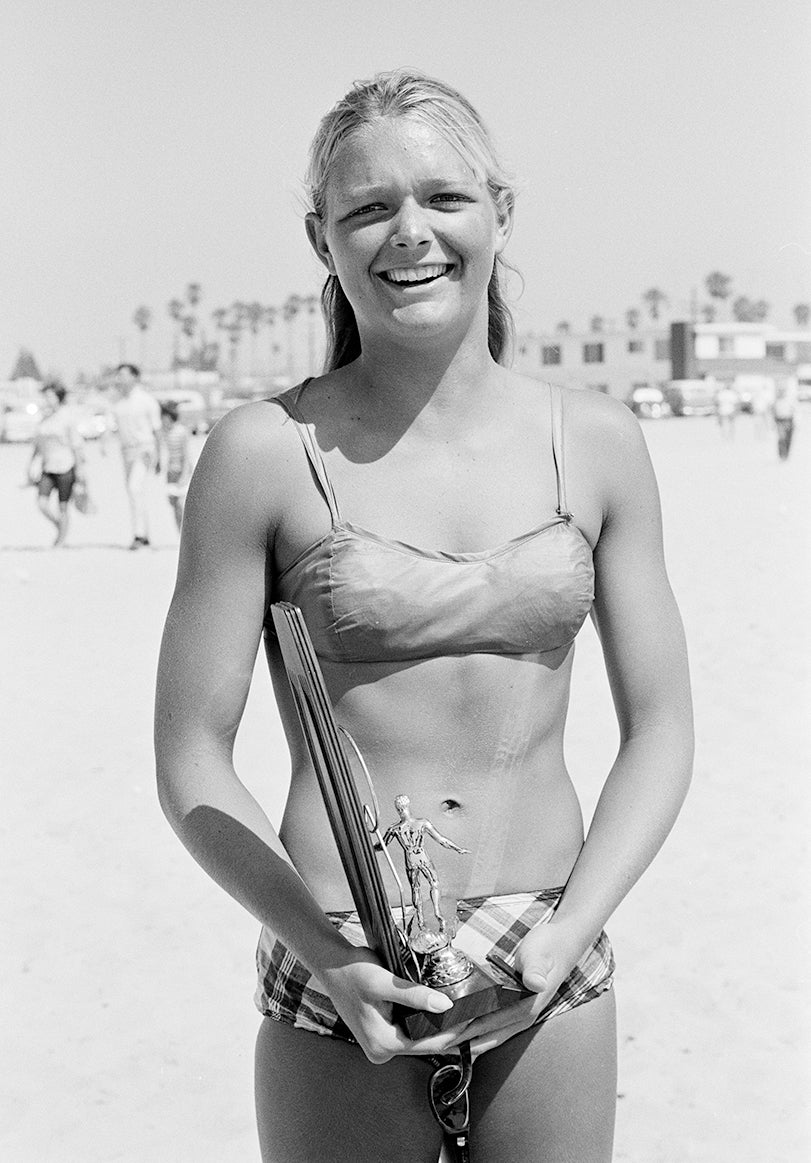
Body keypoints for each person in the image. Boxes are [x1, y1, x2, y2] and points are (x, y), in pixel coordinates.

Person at [155, 69, 693, 1163]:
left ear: (501, 209)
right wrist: (325, 952)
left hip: (545, 939)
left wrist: (571, 927)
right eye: (367, 208)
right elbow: (189, 754)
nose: (410, 233)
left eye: (443, 197)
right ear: (322, 238)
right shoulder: (264, 453)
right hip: (338, 949)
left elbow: (663, 725)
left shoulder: (593, 441)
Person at [28, 380, 85, 547]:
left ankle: (61, 540)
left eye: (50, 396)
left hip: (66, 466)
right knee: (42, 503)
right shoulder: (44, 419)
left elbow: (77, 446)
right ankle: (60, 527)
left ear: (58, 398)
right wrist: (30, 465)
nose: (46, 400)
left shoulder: (67, 418)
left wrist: (80, 469)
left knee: (63, 505)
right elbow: (38, 445)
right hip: (48, 467)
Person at [110, 363, 161, 549]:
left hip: (144, 449)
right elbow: (113, 426)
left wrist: (159, 456)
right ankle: (144, 534)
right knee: (135, 492)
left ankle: (138, 535)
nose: (120, 379)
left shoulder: (146, 401)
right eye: (118, 375)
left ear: (134, 377)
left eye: (123, 375)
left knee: (134, 488)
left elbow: (157, 430)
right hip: (126, 452)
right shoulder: (118, 402)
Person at [159, 402, 191, 532]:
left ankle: (185, 533)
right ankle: (180, 534)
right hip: (170, 472)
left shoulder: (181, 431)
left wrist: (185, 474)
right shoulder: (164, 432)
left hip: (181, 471)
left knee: (180, 504)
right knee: (172, 503)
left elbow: (186, 454)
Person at [772, 376, 798, 460]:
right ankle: (781, 454)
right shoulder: (776, 401)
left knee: (788, 438)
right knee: (781, 438)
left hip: (789, 420)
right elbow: (773, 412)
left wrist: (796, 422)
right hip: (780, 421)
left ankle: (786, 453)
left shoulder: (790, 400)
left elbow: (795, 411)